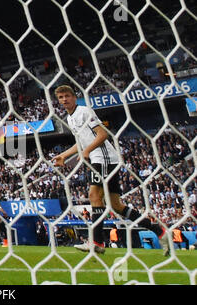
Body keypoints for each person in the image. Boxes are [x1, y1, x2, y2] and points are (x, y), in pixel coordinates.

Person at [52, 85, 169, 255]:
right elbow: (82, 142)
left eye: (67, 96)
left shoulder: (84, 111)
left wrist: (87, 151)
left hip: (103, 158)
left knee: (94, 196)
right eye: (61, 97)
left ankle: (97, 242)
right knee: (115, 205)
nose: (64, 100)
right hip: (98, 158)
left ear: (74, 97)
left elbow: (102, 135)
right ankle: (160, 232)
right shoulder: (69, 118)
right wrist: (64, 155)